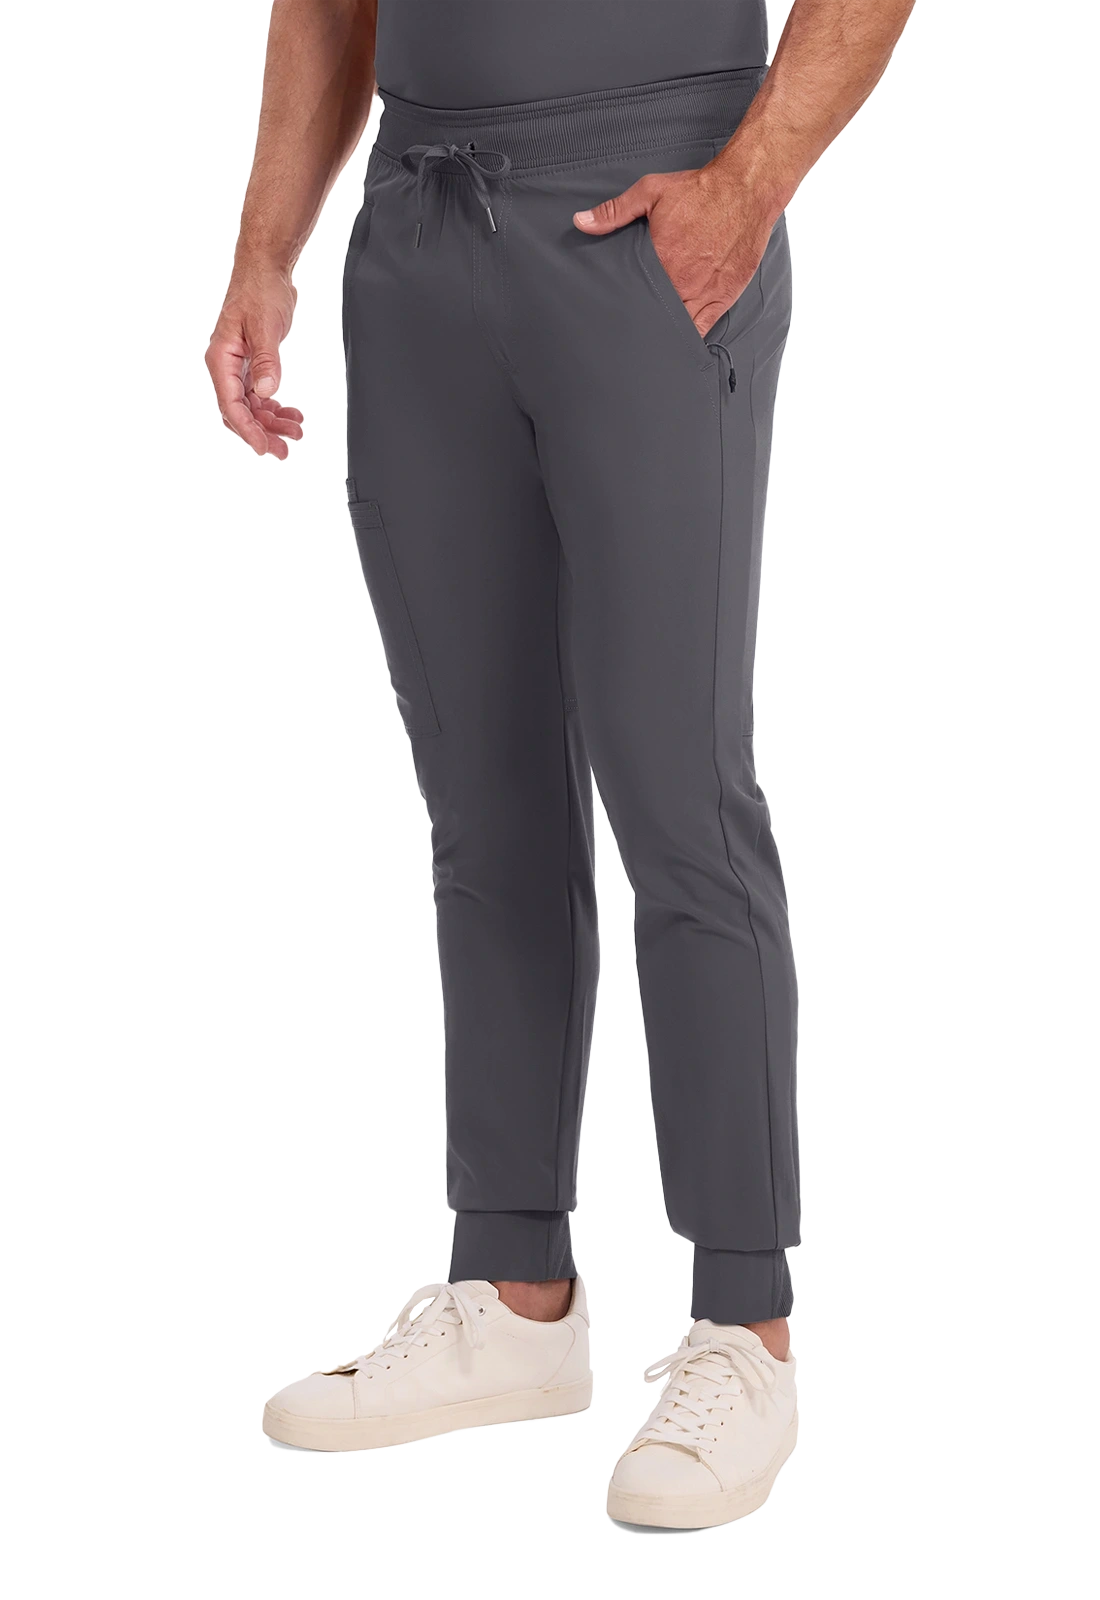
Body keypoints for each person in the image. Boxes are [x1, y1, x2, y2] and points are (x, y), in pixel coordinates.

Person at [206, 0, 915, 1528]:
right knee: (486, 802)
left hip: (646, 209)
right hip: (421, 227)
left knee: (679, 793)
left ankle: (744, 1324)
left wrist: (747, 188)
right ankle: (513, 1293)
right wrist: (265, 248)